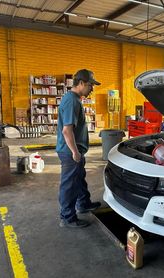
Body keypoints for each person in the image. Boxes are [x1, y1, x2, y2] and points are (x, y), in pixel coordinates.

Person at [56, 69, 101, 228]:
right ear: (81, 83)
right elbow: (67, 130)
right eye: (90, 85)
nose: (92, 89)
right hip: (70, 152)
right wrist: (75, 152)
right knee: (69, 184)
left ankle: (83, 204)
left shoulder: (74, 98)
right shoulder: (72, 101)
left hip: (75, 150)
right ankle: (67, 217)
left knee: (79, 178)